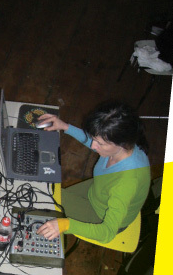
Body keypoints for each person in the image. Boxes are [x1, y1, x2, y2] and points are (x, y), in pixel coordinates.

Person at [36, 100, 150, 244]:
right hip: (99, 191)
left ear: (120, 143)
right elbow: (94, 141)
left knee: (43, 198)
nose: (93, 146)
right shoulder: (126, 145)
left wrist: (66, 224)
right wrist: (64, 126)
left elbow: (107, 233)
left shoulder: (126, 182)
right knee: (47, 195)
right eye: (93, 139)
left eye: (100, 143)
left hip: (101, 216)